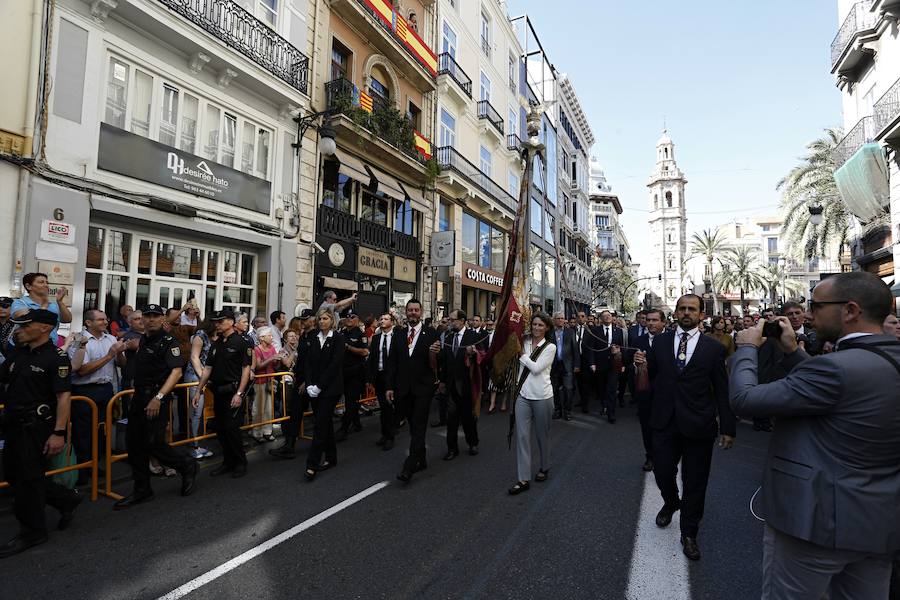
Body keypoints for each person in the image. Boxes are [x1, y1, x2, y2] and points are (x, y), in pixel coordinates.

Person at [730, 272, 900, 599]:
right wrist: (794, 353)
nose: (808, 315)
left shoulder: (834, 367)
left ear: (850, 310)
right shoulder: (878, 358)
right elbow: (836, 393)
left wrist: (747, 349)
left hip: (818, 523)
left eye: (816, 306)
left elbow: (744, 400)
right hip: (879, 524)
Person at [633, 294, 735, 562]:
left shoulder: (713, 348)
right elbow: (649, 377)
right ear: (676, 313)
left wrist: (728, 427)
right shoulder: (662, 342)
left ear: (701, 315)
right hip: (664, 422)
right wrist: (640, 367)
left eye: (692, 309)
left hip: (699, 425)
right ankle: (671, 501)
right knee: (663, 472)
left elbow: (722, 391)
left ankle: (689, 532)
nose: (687, 313)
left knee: (696, 482)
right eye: (682, 308)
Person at [0, 309, 82, 558]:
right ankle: (64, 499)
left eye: (26, 326)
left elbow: (63, 397)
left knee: (28, 479)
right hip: (13, 423)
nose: (20, 330)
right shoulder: (18, 353)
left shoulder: (56, 358)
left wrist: (58, 433)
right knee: (16, 475)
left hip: (37, 427)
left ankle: (33, 531)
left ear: (45, 328)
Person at [113, 304, 197, 509]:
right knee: (134, 444)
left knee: (154, 443)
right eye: (147, 316)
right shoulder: (143, 340)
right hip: (139, 397)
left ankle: (186, 465)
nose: (150, 319)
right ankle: (142, 490)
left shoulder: (169, 341)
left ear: (162, 320)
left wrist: (158, 397)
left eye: (155, 316)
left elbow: (176, 372)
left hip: (156, 398)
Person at [192, 309, 251, 478]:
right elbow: (207, 369)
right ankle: (228, 462)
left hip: (233, 391)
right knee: (221, 429)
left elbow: (246, 369)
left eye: (220, 321)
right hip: (218, 392)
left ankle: (240, 463)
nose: (217, 324)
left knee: (232, 429)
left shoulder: (242, 342)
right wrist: (198, 390)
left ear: (231, 322)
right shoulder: (216, 344)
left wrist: (239, 393)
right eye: (215, 321)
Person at [68, 310, 124, 484]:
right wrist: (110, 355)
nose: (105, 322)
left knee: (102, 430)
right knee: (83, 432)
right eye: (100, 319)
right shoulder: (79, 340)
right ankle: (82, 468)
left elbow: (121, 364)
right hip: (85, 391)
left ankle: (95, 464)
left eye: (105, 319)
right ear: (88, 323)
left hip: (106, 389)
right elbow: (82, 370)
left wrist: (120, 352)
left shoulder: (111, 339)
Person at [508, 313, 556, 495]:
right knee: (521, 437)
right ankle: (523, 479)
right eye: (534, 324)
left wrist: (521, 354)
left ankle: (544, 466)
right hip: (522, 396)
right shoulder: (524, 340)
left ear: (547, 328)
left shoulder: (550, 347)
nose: (536, 328)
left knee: (542, 435)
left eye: (540, 325)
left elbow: (535, 369)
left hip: (542, 396)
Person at [395, 299, 439, 483]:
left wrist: (438, 352)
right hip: (404, 388)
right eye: (410, 310)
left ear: (421, 313)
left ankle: (409, 466)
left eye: (416, 310)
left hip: (424, 387)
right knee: (413, 426)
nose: (413, 313)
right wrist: (390, 386)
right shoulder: (399, 334)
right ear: (406, 312)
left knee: (419, 425)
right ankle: (421, 458)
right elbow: (393, 362)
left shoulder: (431, 333)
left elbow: (439, 361)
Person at [303, 309, 345, 482]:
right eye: (320, 318)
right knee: (325, 422)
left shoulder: (337, 339)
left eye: (325, 318)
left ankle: (312, 464)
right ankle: (331, 457)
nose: (322, 321)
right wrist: (310, 383)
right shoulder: (314, 338)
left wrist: (320, 386)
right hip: (314, 387)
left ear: (332, 321)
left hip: (331, 388)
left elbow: (334, 365)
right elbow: (308, 363)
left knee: (320, 425)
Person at [269, 309, 316, 459]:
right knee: (295, 414)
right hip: (300, 381)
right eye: (301, 319)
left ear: (313, 319)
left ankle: (324, 446)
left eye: (306, 319)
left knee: (320, 416)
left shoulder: (317, 338)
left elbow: (316, 362)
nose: (303, 321)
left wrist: (308, 382)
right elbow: (301, 361)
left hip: (312, 383)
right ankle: (289, 445)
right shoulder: (303, 337)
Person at [439, 309, 482, 460]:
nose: (450, 322)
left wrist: (474, 353)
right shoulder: (449, 337)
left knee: (468, 417)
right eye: (449, 320)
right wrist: (442, 381)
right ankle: (452, 448)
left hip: (467, 384)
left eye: (452, 320)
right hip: (451, 384)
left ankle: (472, 443)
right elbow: (444, 360)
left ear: (462, 320)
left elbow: (482, 357)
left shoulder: (473, 336)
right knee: (451, 419)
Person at [632, 309, 665, 472]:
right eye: (648, 320)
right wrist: (635, 362)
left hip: (666, 392)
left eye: (655, 320)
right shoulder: (639, 340)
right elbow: (630, 361)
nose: (650, 323)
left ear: (663, 322)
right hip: (645, 391)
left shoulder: (673, 339)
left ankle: (665, 455)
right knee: (647, 426)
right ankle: (650, 456)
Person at [367, 312, 400, 451]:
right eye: (380, 319)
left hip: (392, 377)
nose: (382, 321)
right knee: (383, 406)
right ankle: (384, 434)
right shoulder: (376, 338)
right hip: (379, 376)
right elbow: (371, 359)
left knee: (389, 406)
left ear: (391, 322)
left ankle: (390, 436)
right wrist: (369, 378)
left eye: (386, 319)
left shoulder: (398, 337)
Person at [10, 272, 72, 345]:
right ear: (28, 286)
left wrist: (60, 302)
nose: (46, 285)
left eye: (47, 283)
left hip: (50, 347)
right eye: (41, 282)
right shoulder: (19, 303)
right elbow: (28, 319)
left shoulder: (53, 305)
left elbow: (67, 319)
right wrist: (44, 306)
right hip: (26, 349)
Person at [185, 319, 216, 459]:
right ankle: (193, 446)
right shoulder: (200, 335)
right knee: (195, 412)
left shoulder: (213, 336)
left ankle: (197, 444)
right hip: (195, 377)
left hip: (203, 377)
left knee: (200, 412)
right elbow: (194, 357)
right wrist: (203, 376)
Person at [336, 309, 368, 442]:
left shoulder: (360, 334)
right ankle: (356, 422)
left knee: (350, 401)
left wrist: (348, 347)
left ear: (357, 320)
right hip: (342, 372)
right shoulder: (341, 333)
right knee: (349, 401)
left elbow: (365, 352)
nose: (349, 318)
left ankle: (343, 429)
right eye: (347, 316)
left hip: (355, 373)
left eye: (352, 316)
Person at [594, 310, 625, 423]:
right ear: (601, 319)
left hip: (614, 364)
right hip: (600, 364)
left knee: (611, 389)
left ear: (612, 318)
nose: (607, 317)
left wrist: (622, 364)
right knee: (601, 388)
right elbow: (592, 348)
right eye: (604, 316)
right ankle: (604, 405)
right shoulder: (596, 330)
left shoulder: (618, 331)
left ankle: (611, 413)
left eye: (609, 316)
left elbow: (622, 348)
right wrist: (592, 363)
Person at [250, 326, 279, 443]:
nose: (271, 337)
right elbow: (258, 366)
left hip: (270, 380)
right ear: (262, 338)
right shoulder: (257, 349)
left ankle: (267, 431)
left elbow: (275, 365)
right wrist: (272, 358)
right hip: (260, 381)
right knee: (258, 408)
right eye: (269, 335)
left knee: (268, 408)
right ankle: (257, 432)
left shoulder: (272, 348)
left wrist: (277, 359)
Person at [549, 312, 579, 421]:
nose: (561, 320)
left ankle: (567, 411)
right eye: (558, 318)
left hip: (568, 366)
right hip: (554, 366)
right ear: (554, 320)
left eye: (562, 318)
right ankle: (557, 410)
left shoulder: (570, 332)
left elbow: (575, 349)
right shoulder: (550, 333)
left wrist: (576, 365)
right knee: (555, 389)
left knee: (568, 389)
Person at [120, 310, 145, 390]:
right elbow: (136, 344)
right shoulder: (128, 336)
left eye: (143, 318)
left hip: (147, 379)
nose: (141, 320)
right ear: (129, 323)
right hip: (132, 380)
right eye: (137, 319)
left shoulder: (149, 334)